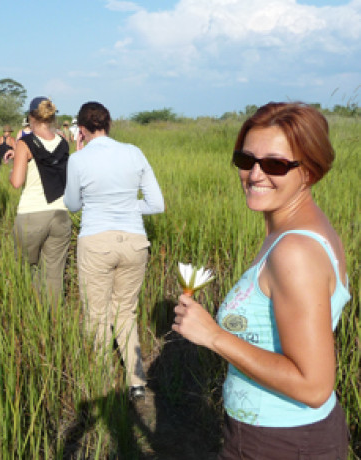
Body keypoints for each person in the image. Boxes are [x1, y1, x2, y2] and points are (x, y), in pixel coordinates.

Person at [172, 102, 350, 458]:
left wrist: (213, 336)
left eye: (275, 164)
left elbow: (313, 386)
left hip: (282, 441)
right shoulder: (293, 231)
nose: (255, 174)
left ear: (310, 171)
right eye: (246, 160)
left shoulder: (294, 250)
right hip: (273, 434)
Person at [63, 101, 165, 401]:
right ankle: (136, 381)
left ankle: (102, 377)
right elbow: (157, 204)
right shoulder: (134, 152)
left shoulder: (78, 160)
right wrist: (127, 205)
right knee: (125, 311)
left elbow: (72, 204)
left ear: (80, 130)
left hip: (96, 240)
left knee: (96, 314)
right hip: (134, 241)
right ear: (109, 125)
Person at [8, 97, 71, 306]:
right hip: (61, 213)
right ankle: (54, 319)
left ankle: (31, 312)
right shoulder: (63, 141)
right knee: (54, 274)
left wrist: (12, 168)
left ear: (31, 117)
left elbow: (17, 182)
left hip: (31, 214)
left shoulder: (24, 143)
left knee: (26, 268)